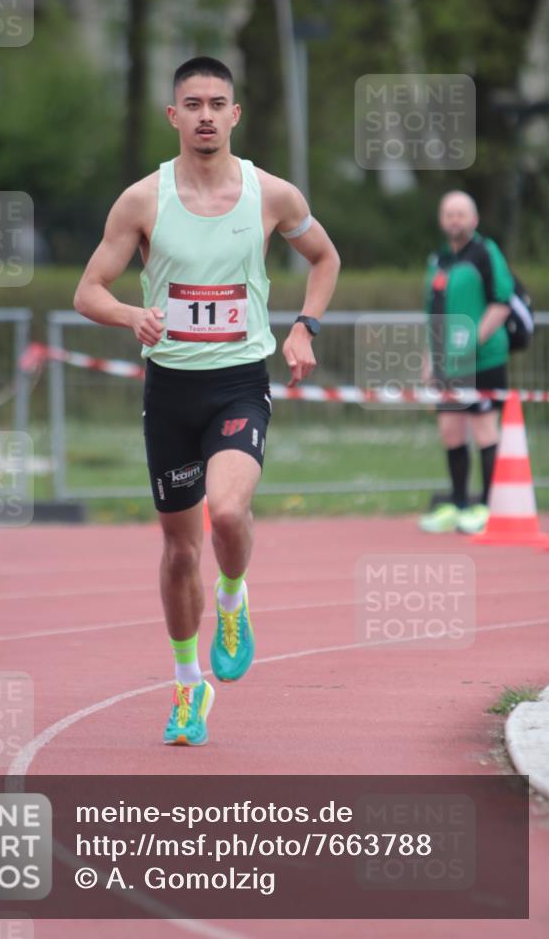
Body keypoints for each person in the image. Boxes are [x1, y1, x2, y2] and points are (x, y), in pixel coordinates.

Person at [74, 57, 340, 745]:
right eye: (190, 104)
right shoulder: (142, 200)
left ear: (234, 115)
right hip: (169, 390)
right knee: (176, 550)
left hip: (237, 382)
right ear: (173, 116)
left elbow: (324, 258)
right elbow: (88, 291)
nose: (203, 116)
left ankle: (232, 599)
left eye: (215, 103)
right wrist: (131, 315)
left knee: (225, 512)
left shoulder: (270, 194)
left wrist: (303, 327)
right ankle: (189, 686)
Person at [419, 190, 514, 535]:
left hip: (484, 359)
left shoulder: (485, 253)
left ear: (473, 219)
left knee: (485, 428)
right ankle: (458, 503)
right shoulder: (439, 261)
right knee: (451, 430)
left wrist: (473, 342)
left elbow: (501, 302)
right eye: (449, 214)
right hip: (447, 364)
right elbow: (433, 313)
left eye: (461, 213)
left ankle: (487, 505)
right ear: (442, 221)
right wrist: (430, 357)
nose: (454, 219)